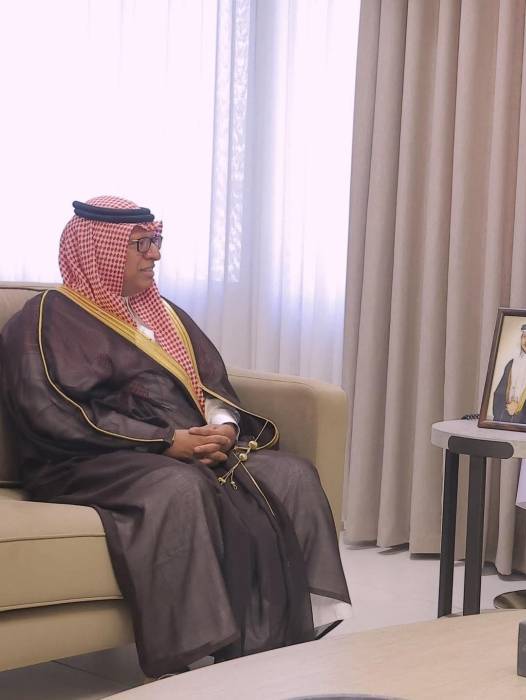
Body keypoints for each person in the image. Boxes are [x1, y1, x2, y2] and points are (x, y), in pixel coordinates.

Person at [0, 196, 351, 678]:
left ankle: (297, 630)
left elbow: (210, 385)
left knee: (292, 474)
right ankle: (201, 651)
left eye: (156, 240)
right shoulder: (44, 319)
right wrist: (167, 441)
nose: (156, 254)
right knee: (180, 487)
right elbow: (52, 412)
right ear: (97, 250)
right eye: (141, 244)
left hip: (185, 448)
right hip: (88, 460)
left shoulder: (165, 315)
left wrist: (223, 428)